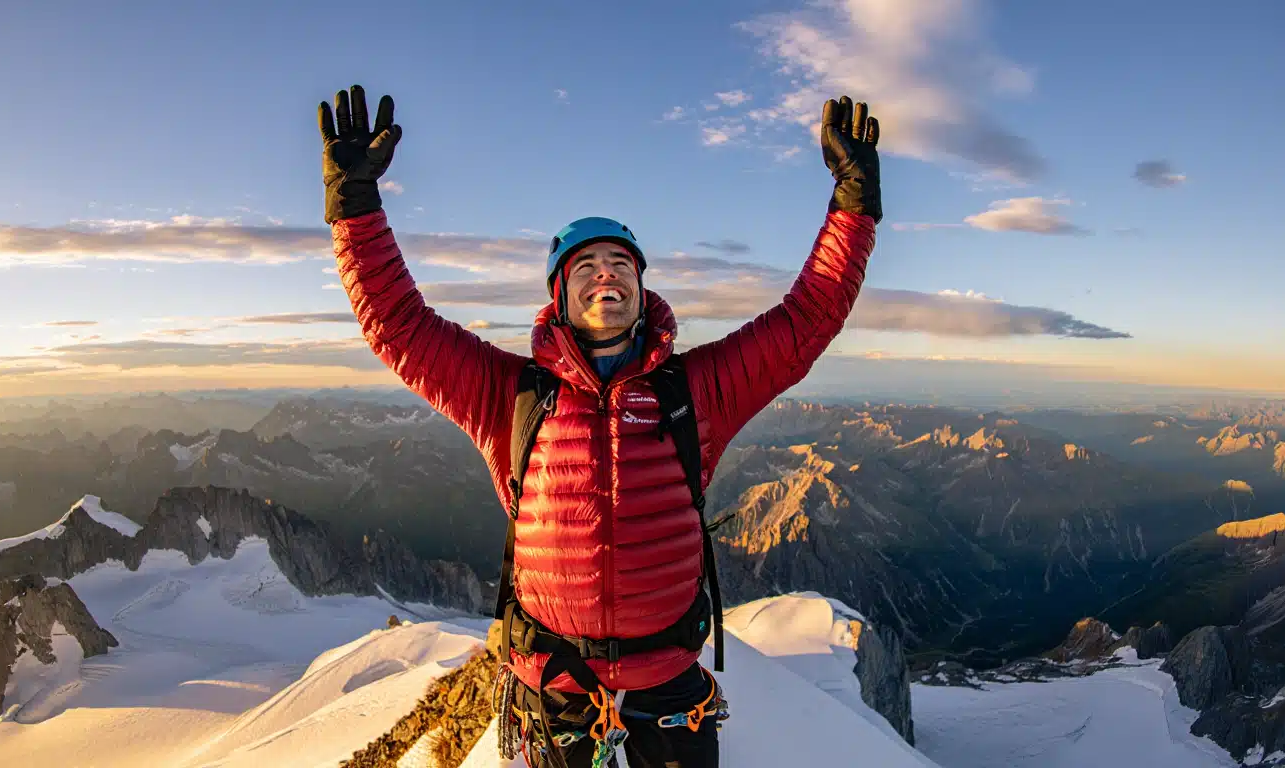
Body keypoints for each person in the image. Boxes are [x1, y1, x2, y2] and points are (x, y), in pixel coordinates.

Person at [318, 84, 881, 768]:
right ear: (559, 295)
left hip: (668, 688)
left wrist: (853, 203)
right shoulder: (510, 394)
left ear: (642, 291)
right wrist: (356, 206)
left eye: (621, 264)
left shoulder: (694, 390)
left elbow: (806, 321)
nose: (605, 275)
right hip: (557, 690)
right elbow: (401, 326)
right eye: (585, 265)